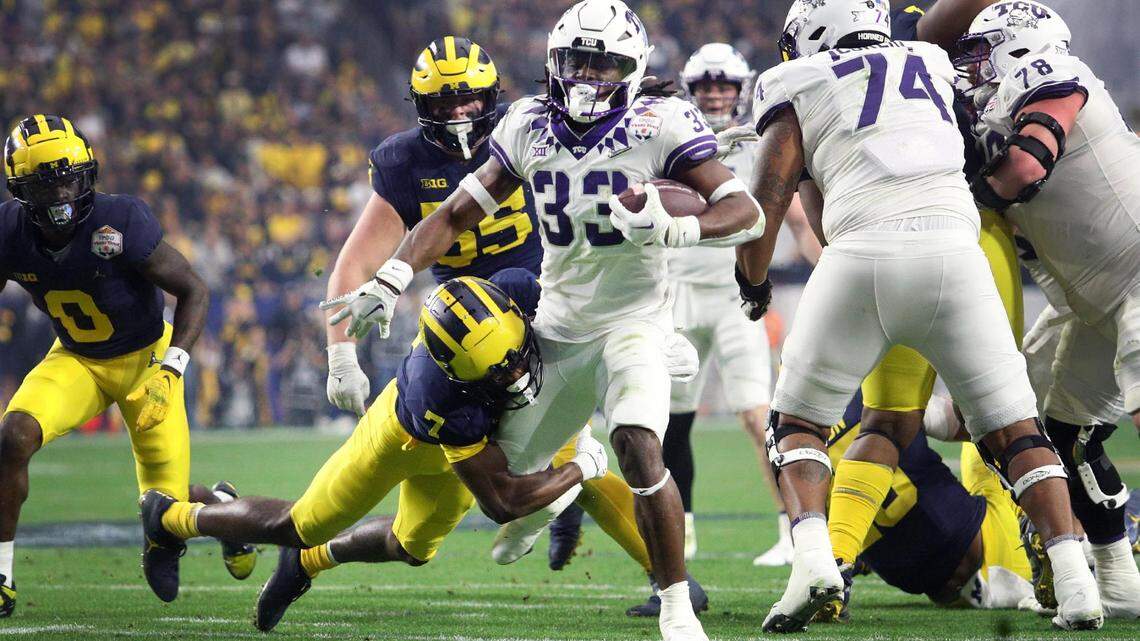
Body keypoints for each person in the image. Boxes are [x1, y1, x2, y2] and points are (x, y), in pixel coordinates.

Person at [321, 2, 765, 638]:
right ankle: (559, 487)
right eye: (576, 61)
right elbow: (451, 216)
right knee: (502, 487)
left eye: (602, 63)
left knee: (638, 444)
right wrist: (391, 277)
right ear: (554, 65)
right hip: (557, 325)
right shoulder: (529, 125)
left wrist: (675, 226)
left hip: (633, 321)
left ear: (632, 68)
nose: (587, 76)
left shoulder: (660, 122)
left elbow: (744, 211)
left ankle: (674, 605)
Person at [736, 0, 1100, 631]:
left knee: (796, 426)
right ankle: (1073, 583)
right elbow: (969, 146)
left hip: (864, 254)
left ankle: (816, 563)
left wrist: (753, 279)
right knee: (1016, 434)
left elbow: (771, 190)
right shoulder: (931, 62)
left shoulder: (794, 80)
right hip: (960, 254)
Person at [146, 270, 705, 631]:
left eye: (514, 356)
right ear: (460, 372)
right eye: (496, 371)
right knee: (301, 522)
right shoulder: (448, 398)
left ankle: (311, 562)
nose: (514, 372)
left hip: (469, 443)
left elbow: (596, 303)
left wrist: (655, 335)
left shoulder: (521, 292)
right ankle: (175, 517)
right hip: (406, 438)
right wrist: (582, 466)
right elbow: (504, 503)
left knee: (412, 547)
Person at [0, 114, 255, 614]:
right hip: (76, 358)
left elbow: (194, 289)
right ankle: (1, 575)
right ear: (20, 190)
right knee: (11, 437)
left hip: (147, 359)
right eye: (45, 186)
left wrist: (172, 368)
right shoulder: (8, 230)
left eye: (70, 179)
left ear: (88, 174)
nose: (61, 196)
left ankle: (225, 510)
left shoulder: (121, 220)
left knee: (164, 512)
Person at [954, 0, 1140, 619]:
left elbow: (1025, 168)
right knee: (1053, 433)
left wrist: (967, 170)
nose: (971, 69)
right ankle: (1118, 581)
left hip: (1135, 275)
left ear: (1017, 45)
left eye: (982, 53)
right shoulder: (996, 108)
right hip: (1091, 303)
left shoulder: (1053, 71)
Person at [664, 42, 815, 565]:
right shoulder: (667, 136)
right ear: (690, 88)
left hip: (736, 298)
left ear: (741, 88)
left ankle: (791, 531)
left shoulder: (759, 141)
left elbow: (793, 216)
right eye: (706, 86)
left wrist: (831, 268)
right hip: (677, 298)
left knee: (758, 416)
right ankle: (678, 539)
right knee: (670, 422)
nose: (714, 95)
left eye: (723, 86)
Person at [815, 392, 1033, 621]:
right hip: (986, 551)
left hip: (918, 579)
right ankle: (1054, 537)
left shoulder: (793, 431)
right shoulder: (872, 389)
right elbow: (961, 423)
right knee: (995, 421)